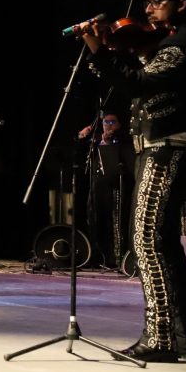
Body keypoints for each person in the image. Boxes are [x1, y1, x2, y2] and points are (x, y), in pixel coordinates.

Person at [79, 0, 186, 362]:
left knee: (147, 239)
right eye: (147, 1)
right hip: (159, 147)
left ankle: (161, 338)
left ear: (181, 4)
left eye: (157, 1)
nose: (148, 9)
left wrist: (99, 51)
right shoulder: (164, 42)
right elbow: (133, 75)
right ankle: (183, 341)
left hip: (168, 148)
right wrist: (108, 48)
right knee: (161, 243)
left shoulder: (183, 42)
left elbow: (139, 84)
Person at [78, 112, 134, 268]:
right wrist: (82, 136)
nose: (109, 125)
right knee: (96, 220)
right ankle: (97, 256)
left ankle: (116, 258)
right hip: (98, 187)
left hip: (118, 187)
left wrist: (108, 141)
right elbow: (81, 152)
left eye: (112, 122)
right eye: (106, 122)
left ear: (119, 125)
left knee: (116, 223)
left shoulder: (124, 140)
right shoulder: (95, 140)